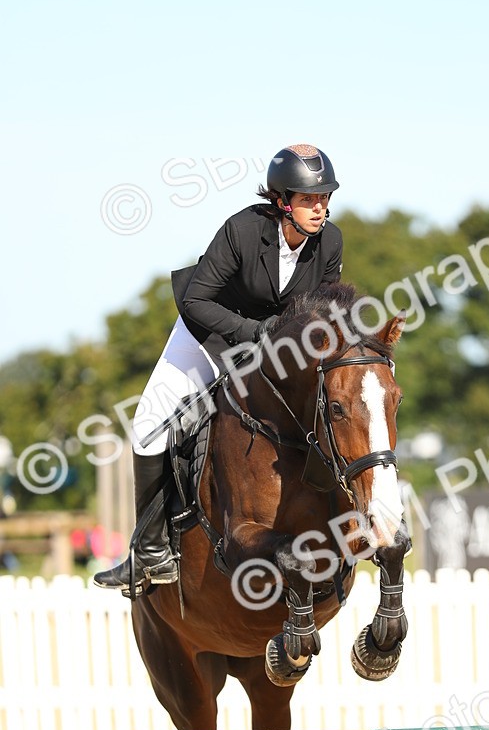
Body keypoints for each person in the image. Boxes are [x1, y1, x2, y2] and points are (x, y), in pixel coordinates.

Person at [94, 143, 343, 595]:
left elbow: (320, 313)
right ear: (283, 201)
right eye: (309, 199)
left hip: (270, 350)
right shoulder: (243, 231)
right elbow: (196, 301)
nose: (319, 209)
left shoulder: (330, 241)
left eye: (324, 198)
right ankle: (150, 553)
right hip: (207, 334)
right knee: (148, 424)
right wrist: (254, 332)